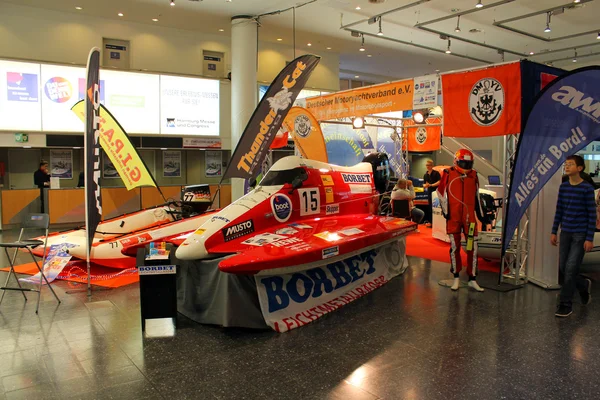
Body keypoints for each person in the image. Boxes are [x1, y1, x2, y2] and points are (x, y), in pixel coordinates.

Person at [437, 149, 488, 292]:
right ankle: (456, 277)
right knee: (455, 247)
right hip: (453, 218)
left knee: (472, 247)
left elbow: (477, 195)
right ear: (456, 161)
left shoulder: (474, 175)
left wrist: (480, 214)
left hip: (469, 220)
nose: (465, 166)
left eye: (468, 163)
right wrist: (446, 211)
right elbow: (440, 193)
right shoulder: (448, 173)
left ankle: (472, 278)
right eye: (463, 163)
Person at [552, 155, 596, 318]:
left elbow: (592, 215)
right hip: (566, 232)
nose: (567, 167)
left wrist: (589, 238)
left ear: (580, 168)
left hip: (580, 234)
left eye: (570, 164)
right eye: (566, 164)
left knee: (570, 269)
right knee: (564, 268)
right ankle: (583, 285)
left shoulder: (586, 189)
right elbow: (559, 210)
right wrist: (554, 230)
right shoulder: (563, 187)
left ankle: (565, 304)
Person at [423, 159, 441, 227]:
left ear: (432, 166)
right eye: (426, 165)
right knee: (430, 207)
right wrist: (425, 186)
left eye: (429, 165)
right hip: (429, 192)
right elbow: (424, 184)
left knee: (436, 207)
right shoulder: (425, 174)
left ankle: (437, 222)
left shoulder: (436, 173)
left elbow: (439, 182)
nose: (427, 166)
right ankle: (431, 222)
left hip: (436, 192)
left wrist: (431, 185)